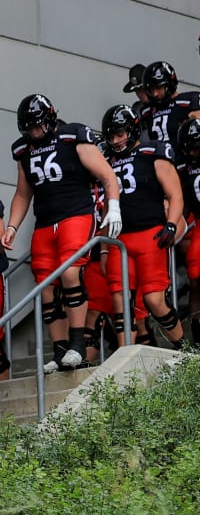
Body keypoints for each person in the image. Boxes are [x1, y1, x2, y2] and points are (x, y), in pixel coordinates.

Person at [2, 93, 122, 373]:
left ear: (50, 119)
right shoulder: (23, 149)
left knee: (70, 272)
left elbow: (107, 175)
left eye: (37, 126)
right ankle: (58, 350)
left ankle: (77, 344)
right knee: (45, 286)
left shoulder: (73, 135)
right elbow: (23, 192)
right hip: (45, 221)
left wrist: (113, 207)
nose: (34, 132)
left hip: (76, 214)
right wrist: (12, 226)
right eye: (29, 128)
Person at [100, 104, 186, 349]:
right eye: (112, 136)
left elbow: (175, 194)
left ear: (133, 130)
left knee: (154, 299)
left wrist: (171, 225)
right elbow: (107, 205)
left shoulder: (152, 153)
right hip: (120, 238)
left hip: (150, 234)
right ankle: (125, 355)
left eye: (120, 134)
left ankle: (183, 348)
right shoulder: (107, 160)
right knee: (120, 299)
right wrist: (105, 246)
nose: (116, 141)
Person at [175, 118, 200, 343]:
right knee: (195, 279)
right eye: (190, 147)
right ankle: (198, 338)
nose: (193, 152)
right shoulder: (184, 168)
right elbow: (181, 201)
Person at [138, 61, 200, 145]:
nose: (155, 94)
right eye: (152, 89)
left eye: (158, 88)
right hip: (157, 156)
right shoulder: (147, 111)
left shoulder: (192, 99)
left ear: (169, 84)